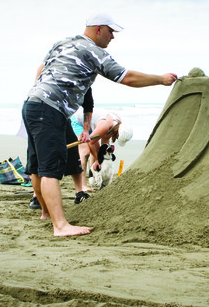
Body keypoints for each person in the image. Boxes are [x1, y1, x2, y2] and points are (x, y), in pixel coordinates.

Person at [22, 12, 177, 237]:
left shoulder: (63, 43)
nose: (112, 37)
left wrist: (44, 91)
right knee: (50, 169)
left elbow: (41, 70)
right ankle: (60, 226)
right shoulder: (95, 52)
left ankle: (47, 214)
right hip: (50, 109)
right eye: (111, 31)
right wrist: (160, 80)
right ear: (98, 29)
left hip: (33, 104)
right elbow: (127, 78)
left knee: (38, 164)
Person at [29, 87, 95, 210]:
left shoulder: (85, 79)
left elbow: (88, 105)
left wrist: (86, 130)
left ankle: (79, 192)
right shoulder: (51, 71)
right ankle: (36, 197)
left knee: (73, 154)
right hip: (39, 112)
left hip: (62, 116)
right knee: (39, 156)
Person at [73, 107, 133, 174]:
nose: (117, 139)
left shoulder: (117, 125)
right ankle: (82, 182)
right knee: (85, 152)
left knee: (97, 151)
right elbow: (90, 142)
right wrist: (98, 159)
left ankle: (92, 174)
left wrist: (103, 159)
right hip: (78, 120)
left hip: (90, 125)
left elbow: (105, 143)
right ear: (118, 133)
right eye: (118, 137)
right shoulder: (107, 125)